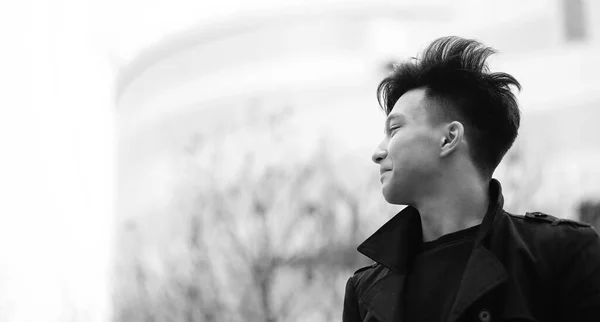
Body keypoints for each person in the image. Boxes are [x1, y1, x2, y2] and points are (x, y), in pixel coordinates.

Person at [342, 36, 600, 322]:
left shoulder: (562, 254)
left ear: (449, 138)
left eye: (395, 129)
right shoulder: (364, 290)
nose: (378, 153)